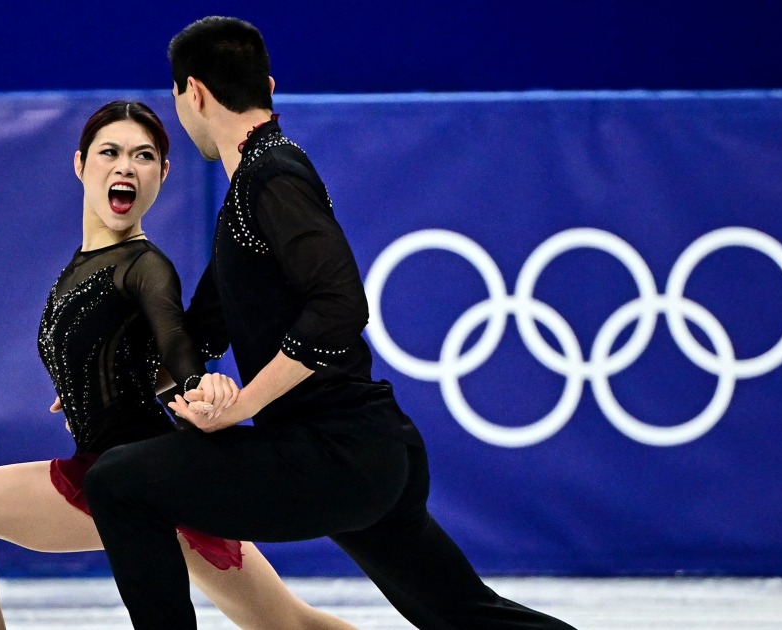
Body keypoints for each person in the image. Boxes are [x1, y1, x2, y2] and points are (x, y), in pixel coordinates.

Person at [83, 17, 576, 630]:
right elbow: (202, 330)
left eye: (178, 100)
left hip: (337, 453)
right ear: (266, 84)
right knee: (467, 616)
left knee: (119, 483)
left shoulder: (273, 174)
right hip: (363, 453)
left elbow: (340, 307)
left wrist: (243, 405)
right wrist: (101, 370)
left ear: (194, 93)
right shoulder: (248, 188)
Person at [0, 100, 354, 630]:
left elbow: (176, 344)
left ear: (163, 174)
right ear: (81, 165)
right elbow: (127, 350)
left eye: (143, 156)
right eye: (111, 152)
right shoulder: (82, 265)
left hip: (132, 475)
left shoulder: (145, 267)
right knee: (289, 624)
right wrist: (91, 378)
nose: (126, 166)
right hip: (125, 474)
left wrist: (200, 386)